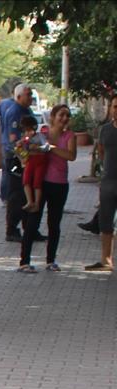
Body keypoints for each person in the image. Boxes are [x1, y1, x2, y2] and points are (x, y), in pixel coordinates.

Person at [17, 104, 76, 273]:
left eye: (67, 115)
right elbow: (26, 148)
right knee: (32, 221)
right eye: (61, 115)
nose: (64, 119)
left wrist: (51, 148)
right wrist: (25, 152)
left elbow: (71, 156)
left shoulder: (69, 136)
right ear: (52, 117)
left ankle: (51, 260)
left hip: (60, 184)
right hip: (40, 184)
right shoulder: (42, 133)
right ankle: (24, 261)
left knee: (54, 224)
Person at [2, 84, 46, 242]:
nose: (30, 98)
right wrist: (23, 158)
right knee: (17, 194)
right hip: (17, 159)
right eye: (27, 95)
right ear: (19, 96)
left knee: (31, 192)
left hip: (30, 159)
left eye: (31, 95)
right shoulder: (14, 112)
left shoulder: (27, 111)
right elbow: (13, 141)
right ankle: (12, 229)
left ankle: (31, 228)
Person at [86, 94, 117, 271]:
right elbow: (101, 152)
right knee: (105, 222)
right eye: (114, 106)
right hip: (108, 182)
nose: (116, 110)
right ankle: (106, 260)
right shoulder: (105, 130)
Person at [16, 115, 48, 212]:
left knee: (37, 183)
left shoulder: (40, 136)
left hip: (40, 159)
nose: (27, 132)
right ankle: (30, 201)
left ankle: (37, 203)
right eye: (25, 130)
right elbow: (21, 151)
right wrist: (20, 146)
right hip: (30, 159)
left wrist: (37, 148)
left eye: (29, 129)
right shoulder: (25, 138)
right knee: (26, 181)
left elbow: (47, 147)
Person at [0, 86, 18, 202]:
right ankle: (13, 196)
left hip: (4, 142)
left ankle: (5, 197)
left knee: (6, 171)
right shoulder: (19, 107)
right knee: (15, 170)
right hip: (15, 144)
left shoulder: (3, 103)